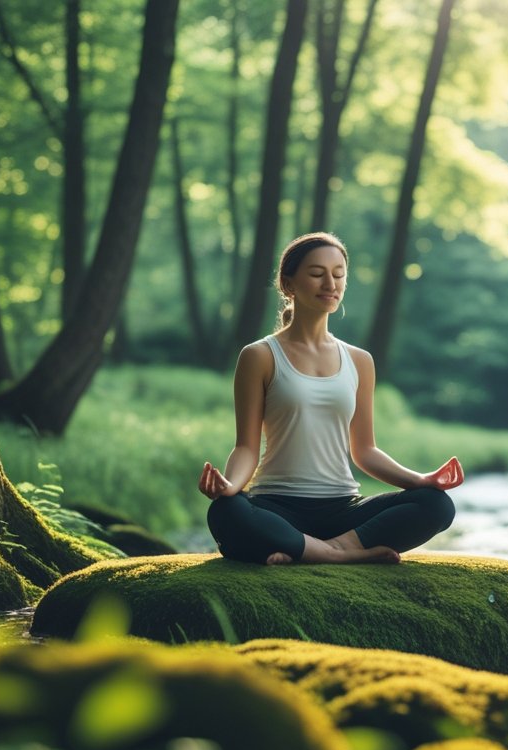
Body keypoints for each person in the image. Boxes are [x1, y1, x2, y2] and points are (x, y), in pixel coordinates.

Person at [198, 232, 464, 565]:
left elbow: (364, 450)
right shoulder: (260, 356)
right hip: (276, 506)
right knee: (226, 511)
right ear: (288, 283)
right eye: (316, 273)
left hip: (342, 511)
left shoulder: (359, 361)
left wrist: (421, 480)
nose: (330, 283)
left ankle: (319, 549)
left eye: (338, 274)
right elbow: (246, 447)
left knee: (436, 504)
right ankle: (333, 554)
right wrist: (231, 485)